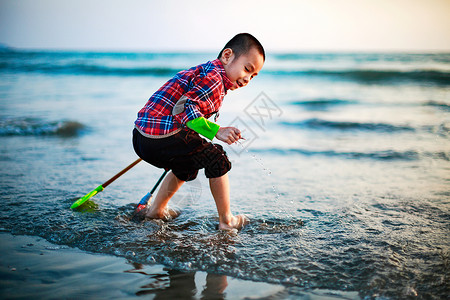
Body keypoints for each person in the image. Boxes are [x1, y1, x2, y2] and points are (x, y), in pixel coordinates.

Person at [133, 33, 265, 230]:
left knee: (188, 165)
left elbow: (181, 110)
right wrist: (216, 130)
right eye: (247, 69)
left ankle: (156, 211)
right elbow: (185, 108)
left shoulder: (207, 72)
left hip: (143, 137)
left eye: (253, 76)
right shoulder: (214, 78)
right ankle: (227, 221)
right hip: (162, 136)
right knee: (217, 158)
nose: (247, 79)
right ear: (227, 56)